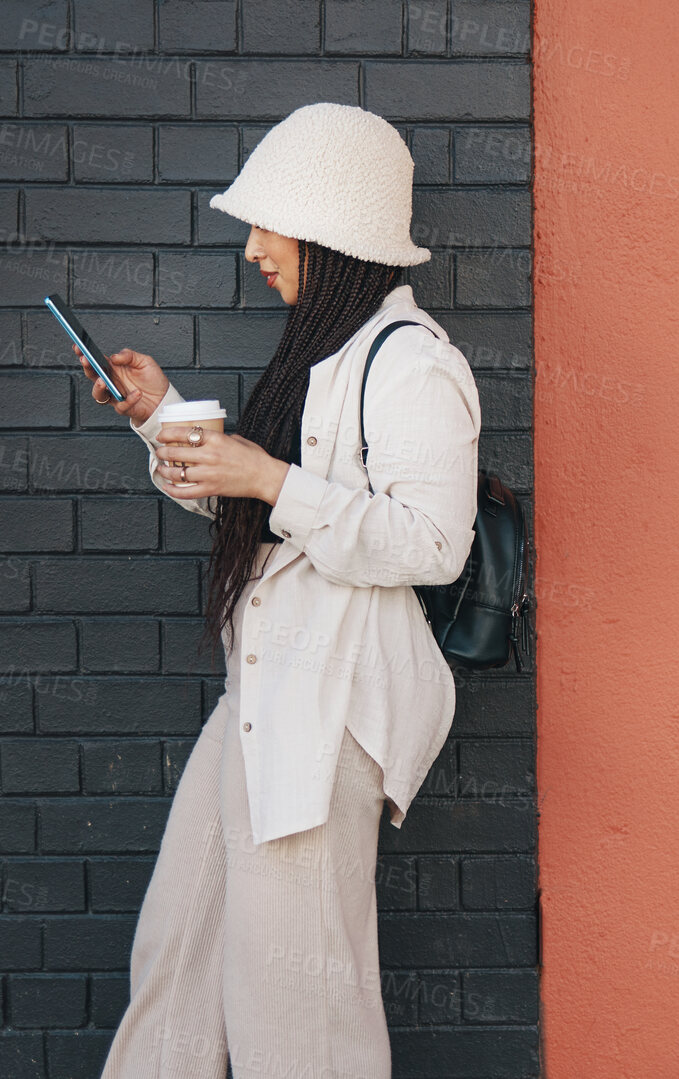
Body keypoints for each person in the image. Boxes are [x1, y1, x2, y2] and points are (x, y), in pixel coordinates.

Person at [83, 102, 483, 1079]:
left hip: (327, 707)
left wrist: (265, 477)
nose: (255, 248)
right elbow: (269, 523)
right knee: (175, 960)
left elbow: (432, 542)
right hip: (264, 698)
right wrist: (163, 420)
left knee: (299, 1009)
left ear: (335, 230)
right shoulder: (323, 354)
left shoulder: (411, 364)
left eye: (273, 225)